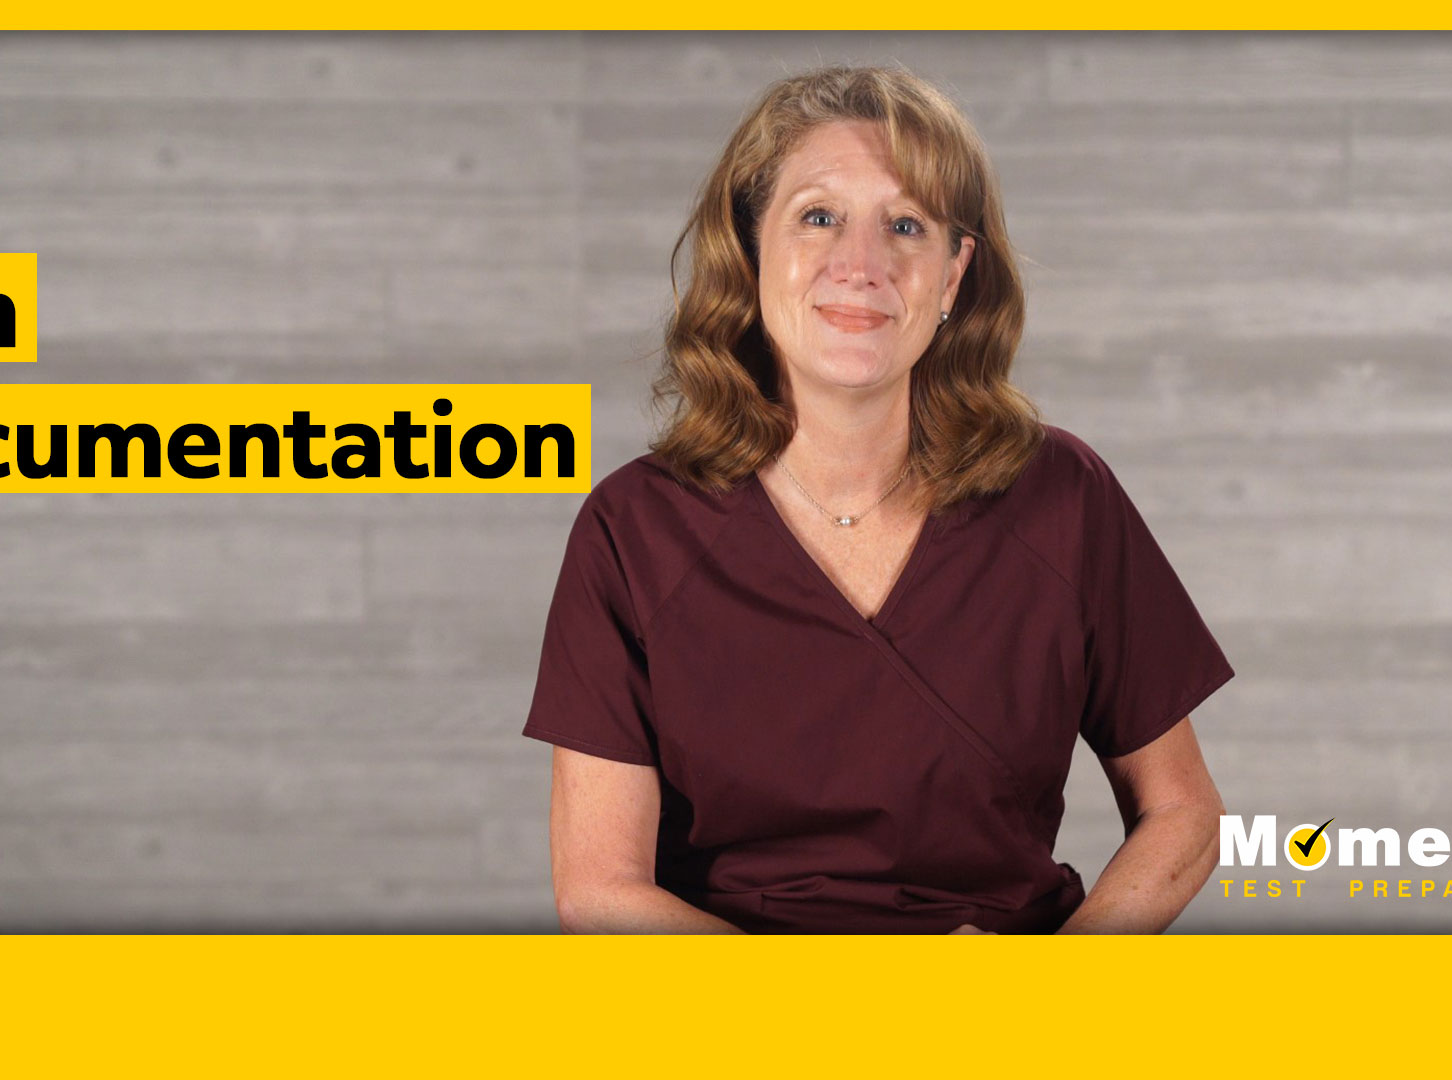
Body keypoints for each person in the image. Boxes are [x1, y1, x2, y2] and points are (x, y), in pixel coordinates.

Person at [522, 64, 1233, 933]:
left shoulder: (1063, 499)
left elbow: (1184, 814)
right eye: (818, 217)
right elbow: (599, 892)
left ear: (954, 274)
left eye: (906, 225)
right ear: (750, 254)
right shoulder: (633, 531)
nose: (860, 265)